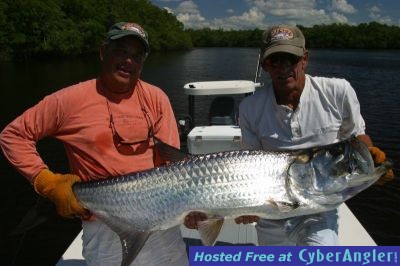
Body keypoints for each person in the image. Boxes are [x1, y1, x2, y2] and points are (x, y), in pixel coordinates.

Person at [0, 22, 188, 265]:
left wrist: (190, 206)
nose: (128, 61)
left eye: (136, 56)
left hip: (162, 219)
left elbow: (170, 168)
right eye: (120, 51)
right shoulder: (69, 100)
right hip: (102, 224)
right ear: (103, 52)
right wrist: (47, 182)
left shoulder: (156, 98)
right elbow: (13, 135)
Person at [236, 25, 394, 245]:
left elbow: (357, 137)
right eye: (275, 61)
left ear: (304, 59)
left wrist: (370, 156)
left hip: (319, 209)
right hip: (272, 210)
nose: (284, 69)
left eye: (290, 59)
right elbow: (250, 166)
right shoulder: (249, 108)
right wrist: (245, 205)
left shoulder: (338, 92)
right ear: (265, 65)